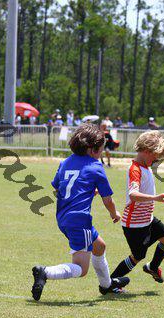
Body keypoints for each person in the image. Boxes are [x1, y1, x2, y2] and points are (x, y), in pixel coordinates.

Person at [31, 124, 130, 301]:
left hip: (63, 218)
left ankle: (106, 285)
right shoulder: (95, 166)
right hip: (80, 219)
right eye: (101, 149)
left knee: (99, 246)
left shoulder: (65, 162)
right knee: (82, 269)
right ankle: (45, 272)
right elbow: (108, 200)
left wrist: (85, 191)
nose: (101, 152)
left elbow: (57, 189)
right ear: (92, 149)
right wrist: (114, 213)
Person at [110, 131, 164, 284]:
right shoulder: (135, 169)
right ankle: (110, 282)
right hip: (135, 224)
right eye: (155, 156)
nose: (156, 160)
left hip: (147, 219)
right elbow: (133, 195)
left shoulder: (145, 166)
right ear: (147, 151)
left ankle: (153, 267)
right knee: (138, 256)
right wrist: (155, 198)